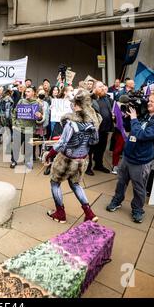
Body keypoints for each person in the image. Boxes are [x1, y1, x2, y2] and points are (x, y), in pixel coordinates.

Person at [106, 91, 154, 223]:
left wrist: (134, 118)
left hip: (141, 161)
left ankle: (137, 209)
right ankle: (116, 201)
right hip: (128, 156)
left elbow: (142, 135)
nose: (149, 103)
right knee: (121, 183)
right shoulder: (145, 114)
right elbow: (129, 128)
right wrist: (127, 117)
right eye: (149, 100)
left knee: (139, 188)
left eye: (152, 101)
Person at [45, 89, 100, 223]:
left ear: (77, 105)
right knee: (75, 184)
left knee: (55, 182)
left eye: (73, 104)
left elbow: (62, 143)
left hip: (67, 160)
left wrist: (50, 154)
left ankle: (60, 213)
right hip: (82, 160)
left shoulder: (71, 123)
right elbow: (94, 141)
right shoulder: (93, 123)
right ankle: (89, 213)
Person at [10, 86, 43, 169]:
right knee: (16, 146)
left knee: (29, 147)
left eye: (28, 91)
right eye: (26, 91)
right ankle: (14, 161)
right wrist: (13, 124)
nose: (26, 93)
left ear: (33, 93)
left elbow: (41, 118)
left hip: (29, 129)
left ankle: (28, 162)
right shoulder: (21, 101)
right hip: (18, 127)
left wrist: (40, 116)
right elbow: (14, 113)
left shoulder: (37, 104)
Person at [86, 81, 113, 175]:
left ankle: (98, 165)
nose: (103, 88)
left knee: (101, 148)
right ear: (94, 88)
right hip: (94, 129)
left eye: (103, 86)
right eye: (100, 87)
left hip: (105, 129)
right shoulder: (90, 98)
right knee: (90, 149)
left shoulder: (106, 98)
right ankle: (87, 167)